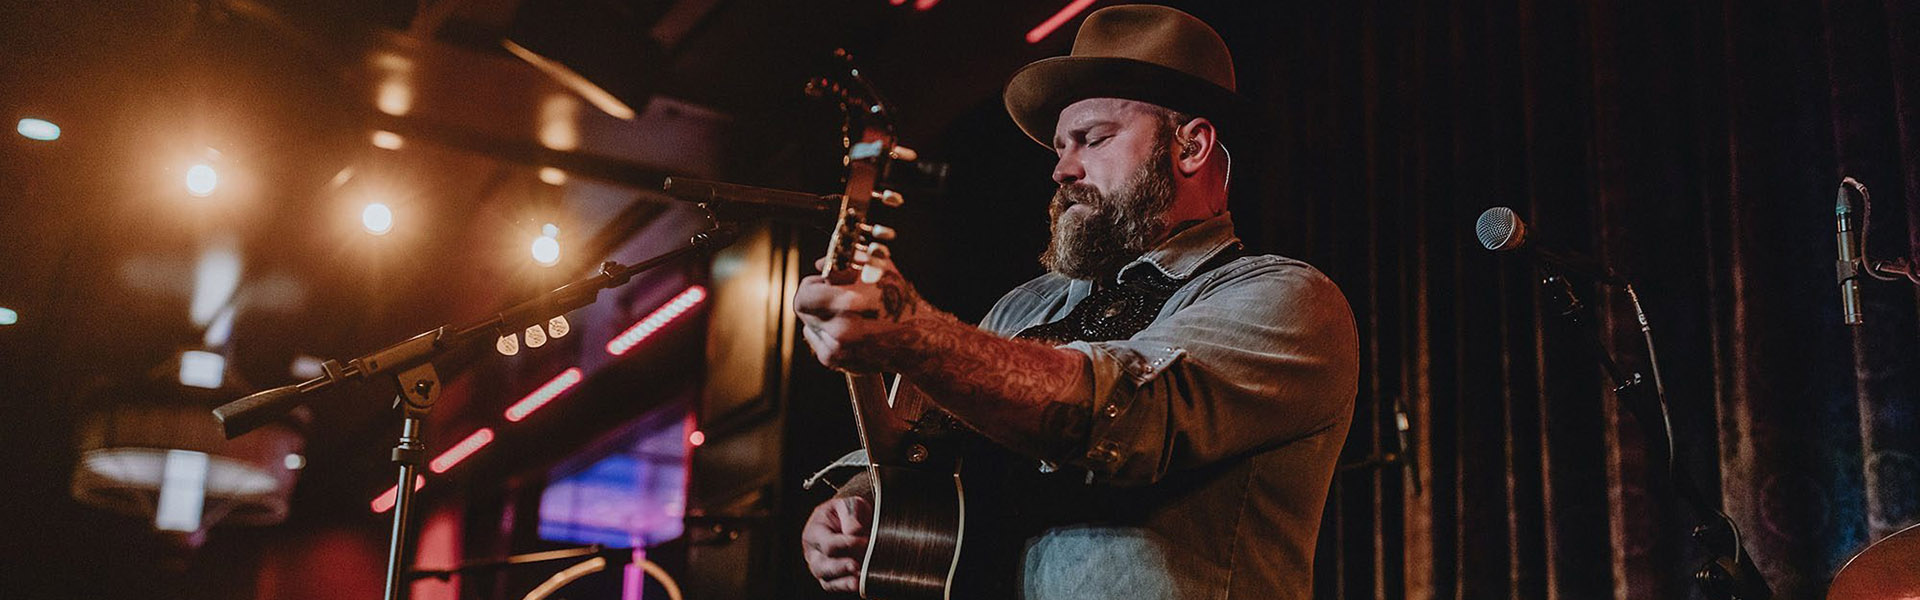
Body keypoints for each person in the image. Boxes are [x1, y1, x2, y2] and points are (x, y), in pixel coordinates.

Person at [793, 5, 1359, 599]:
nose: (1062, 169)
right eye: (1059, 148)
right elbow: (924, 443)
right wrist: (854, 506)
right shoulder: (1020, 310)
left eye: (1092, 139)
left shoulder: (1286, 297)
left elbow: (1128, 413)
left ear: (1190, 146)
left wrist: (922, 336)